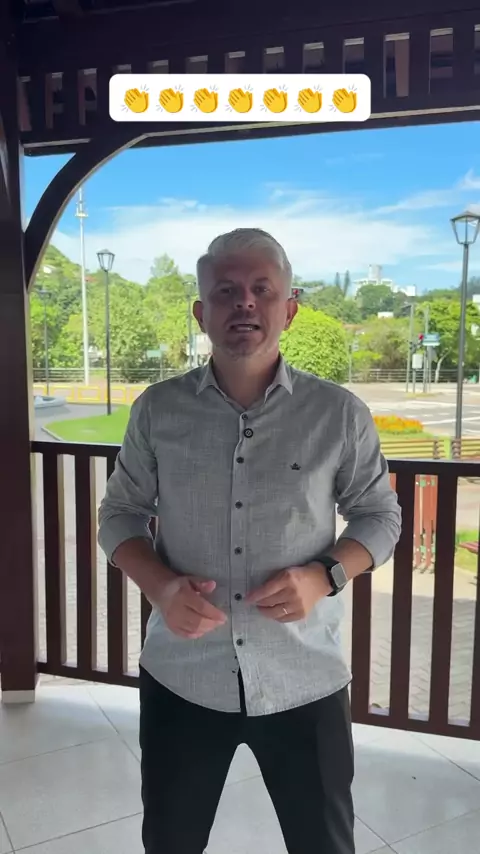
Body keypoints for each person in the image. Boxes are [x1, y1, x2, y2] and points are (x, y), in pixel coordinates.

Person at [98, 228, 402, 854]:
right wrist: (160, 587)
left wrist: (324, 576)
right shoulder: (157, 410)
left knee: (324, 843)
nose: (244, 302)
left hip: (304, 675)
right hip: (183, 676)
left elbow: (380, 517)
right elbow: (119, 513)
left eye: (262, 290)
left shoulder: (339, 414)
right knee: (171, 842)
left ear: (289, 310)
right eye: (226, 291)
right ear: (200, 312)